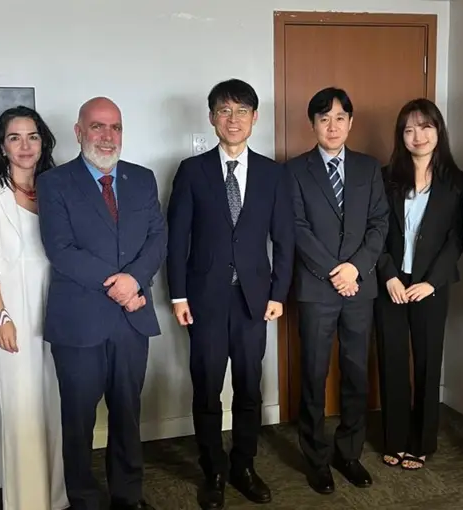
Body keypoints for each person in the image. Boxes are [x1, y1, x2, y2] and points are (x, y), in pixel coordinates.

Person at [166, 78, 294, 509]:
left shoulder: (273, 174)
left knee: (249, 388)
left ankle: (243, 465)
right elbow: (177, 239)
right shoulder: (192, 170)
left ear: (255, 118)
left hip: (254, 300)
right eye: (224, 110)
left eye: (241, 111)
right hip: (203, 300)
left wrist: (278, 293)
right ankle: (213, 470)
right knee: (206, 388)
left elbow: (285, 240)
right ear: (212, 118)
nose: (233, 119)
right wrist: (178, 296)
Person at [37, 97, 165, 510]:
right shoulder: (54, 183)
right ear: (79, 132)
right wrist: (119, 286)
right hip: (79, 323)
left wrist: (134, 280)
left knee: (127, 414)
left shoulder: (142, 179)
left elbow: (157, 239)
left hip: (132, 321)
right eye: (97, 126)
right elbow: (61, 249)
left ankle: (128, 495)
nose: (108, 136)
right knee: (78, 421)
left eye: (115, 127)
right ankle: (85, 500)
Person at [286, 87, 389, 494]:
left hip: (360, 287)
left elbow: (379, 223)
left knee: (356, 373)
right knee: (313, 374)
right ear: (312, 124)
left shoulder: (369, 168)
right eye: (324, 118)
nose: (332, 126)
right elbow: (296, 227)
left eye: (340, 118)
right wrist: (334, 270)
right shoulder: (295, 170)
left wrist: (355, 268)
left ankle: (349, 453)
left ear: (350, 122)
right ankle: (316, 459)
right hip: (317, 287)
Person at [0, 106, 69, 510]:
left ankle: (56, 496)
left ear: (43, 142)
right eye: (15, 137)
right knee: (22, 405)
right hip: (13, 312)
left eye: (32, 136)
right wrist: (0, 315)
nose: (25, 146)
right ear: (2, 146)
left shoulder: (57, 187)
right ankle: (27, 501)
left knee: (55, 402)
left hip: (60, 307)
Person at [374, 98, 463, 471]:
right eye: (409, 129)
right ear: (401, 136)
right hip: (391, 283)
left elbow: (457, 239)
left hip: (431, 285)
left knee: (428, 362)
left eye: (426, 127)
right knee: (392, 360)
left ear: (438, 131)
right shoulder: (384, 178)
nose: (418, 136)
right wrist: (388, 274)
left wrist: (431, 282)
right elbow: (374, 231)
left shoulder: (457, 182)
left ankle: (423, 441)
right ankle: (394, 438)